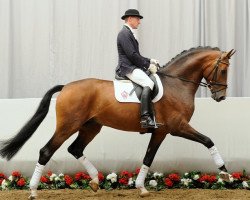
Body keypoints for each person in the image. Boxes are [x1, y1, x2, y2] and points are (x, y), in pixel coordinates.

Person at [115, 9, 159, 128]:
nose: (139, 22)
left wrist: (150, 60)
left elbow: (136, 55)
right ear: (130, 19)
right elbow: (132, 55)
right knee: (149, 83)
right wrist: (148, 66)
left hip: (132, 66)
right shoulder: (124, 34)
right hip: (127, 68)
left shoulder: (128, 33)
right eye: (137, 19)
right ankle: (145, 117)